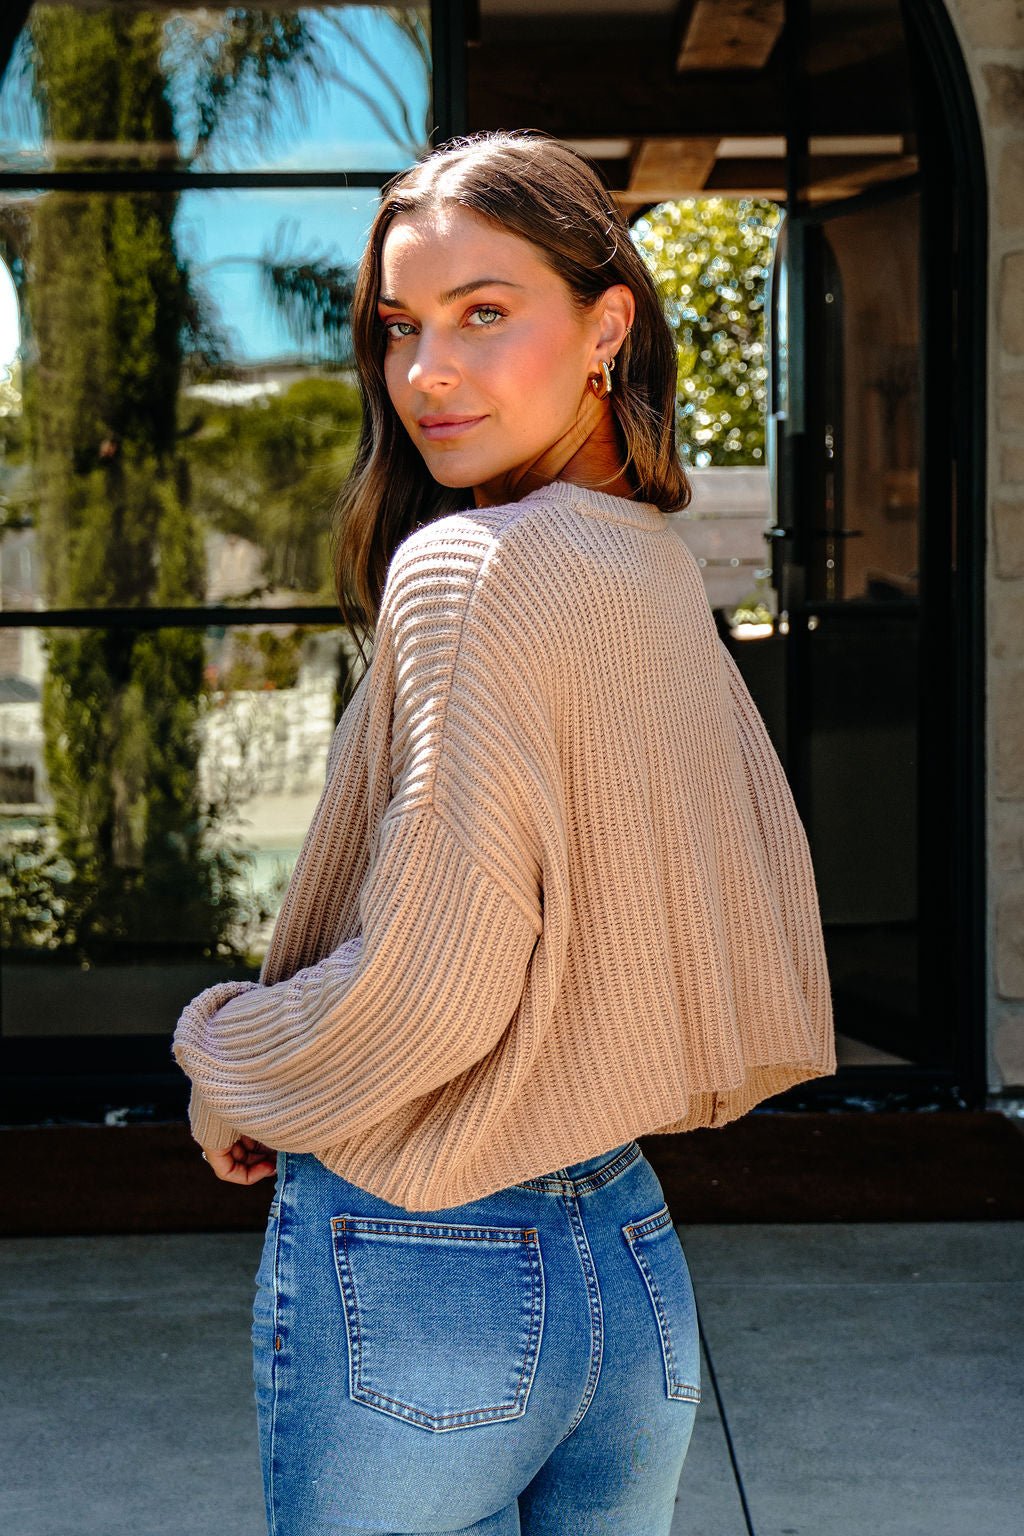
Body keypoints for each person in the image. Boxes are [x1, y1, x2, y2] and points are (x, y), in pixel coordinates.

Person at [172, 128, 836, 1536]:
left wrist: (230, 1058)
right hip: (630, 1256)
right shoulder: (648, 561)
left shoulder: (473, 567)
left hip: (422, 1255)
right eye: (402, 327)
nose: (428, 374)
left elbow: (435, 978)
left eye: (487, 314)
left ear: (607, 326)